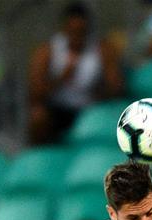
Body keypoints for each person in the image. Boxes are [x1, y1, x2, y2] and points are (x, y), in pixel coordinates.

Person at [29, 2, 124, 144]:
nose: (77, 37)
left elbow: (116, 86)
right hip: (58, 108)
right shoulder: (47, 51)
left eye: (81, 32)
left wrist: (102, 89)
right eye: (72, 32)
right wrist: (61, 78)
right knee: (38, 116)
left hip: (89, 109)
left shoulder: (102, 49)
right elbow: (34, 93)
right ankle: (41, 154)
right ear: (64, 29)